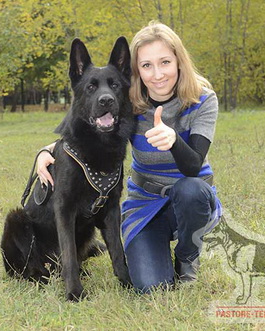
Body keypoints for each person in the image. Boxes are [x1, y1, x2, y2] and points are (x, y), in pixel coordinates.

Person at [36, 21, 222, 293]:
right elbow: (86, 127)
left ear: (179, 62)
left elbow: (193, 165)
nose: (157, 74)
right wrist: (49, 149)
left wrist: (173, 140)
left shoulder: (203, 100)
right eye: (147, 65)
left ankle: (187, 256)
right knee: (150, 286)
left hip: (190, 199)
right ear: (136, 71)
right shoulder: (132, 103)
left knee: (191, 190)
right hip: (146, 205)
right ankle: (155, 252)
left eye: (165, 62)